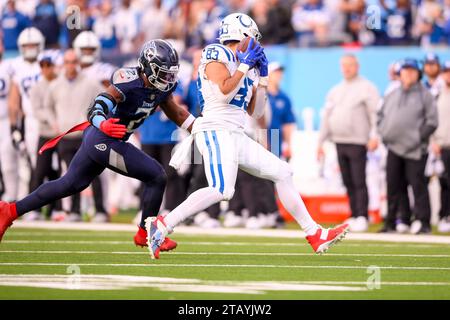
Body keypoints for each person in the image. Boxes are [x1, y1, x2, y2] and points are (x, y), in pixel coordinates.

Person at [147, 13, 349, 259]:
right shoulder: (216, 53)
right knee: (222, 189)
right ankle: (163, 224)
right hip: (215, 128)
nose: (255, 43)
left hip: (236, 132)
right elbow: (222, 93)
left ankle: (314, 233)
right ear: (239, 34)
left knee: (283, 172)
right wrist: (244, 65)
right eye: (252, 37)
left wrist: (262, 78)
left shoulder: (247, 65)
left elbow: (258, 111)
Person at [0, 40, 196, 252]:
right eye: (163, 73)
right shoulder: (128, 81)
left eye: (170, 74)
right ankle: (146, 233)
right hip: (102, 138)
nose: (168, 79)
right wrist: (103, 123)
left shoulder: (161, 88)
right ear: (147, 67)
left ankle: (9, 211)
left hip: (106, 140)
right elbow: (97, 107)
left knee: (69, 184)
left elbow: (176, 112)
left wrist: (202, 130)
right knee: (157, 176)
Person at [318, 54, 380, 232]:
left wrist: (374, 135)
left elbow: (375, 114)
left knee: (359, 180)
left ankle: (362, 216)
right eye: (344, 65)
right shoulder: (335, 90)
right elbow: (327, 117)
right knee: (348, 180)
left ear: (357, 66)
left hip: (358, 141)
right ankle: (354, 214)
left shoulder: (367, 88)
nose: (347, 68)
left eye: (350, 65)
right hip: (339, 140)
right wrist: (320, 142)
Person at [378, 58, 438, 234]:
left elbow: (432, 121)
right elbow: (380, 116)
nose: (408, 74)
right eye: (405, 71)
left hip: (415, 149)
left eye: (412, 71)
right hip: (394, 147)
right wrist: (385, 134)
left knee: (417, 185)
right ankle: (393, 221)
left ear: (418, 74)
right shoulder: (392, 94)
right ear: (400, 73)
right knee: (393, 185)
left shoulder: (425, 95)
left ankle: (423, 221)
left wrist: (417, 137)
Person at [8, 27, 45, 200]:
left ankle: (58, 205)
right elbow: (14, 100)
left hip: (48, 119)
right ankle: (32, 200)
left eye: (33, 45)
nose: (30, 49)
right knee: (32, 162)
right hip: (30, 121)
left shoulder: (47, 63)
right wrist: (14, 126)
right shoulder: (16, 66)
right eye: (27, 45)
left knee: (51, 163)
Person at [28, 50, 63, 220]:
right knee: (40, 170)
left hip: (62, 134)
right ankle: (33, 209)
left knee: (58, 173)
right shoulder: (36, 88)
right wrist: (53, 121)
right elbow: (37, 111)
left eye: (49, 65)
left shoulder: (59, 84)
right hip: (46, 133)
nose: (47, 69)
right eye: (44, 65)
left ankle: (57, 209)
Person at [430, 60, 450, 233]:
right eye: (447, 71)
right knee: (445, 181)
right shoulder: (437, 94)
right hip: (443, 145)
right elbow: (431, 121)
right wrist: (433, 141)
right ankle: (445, 215)